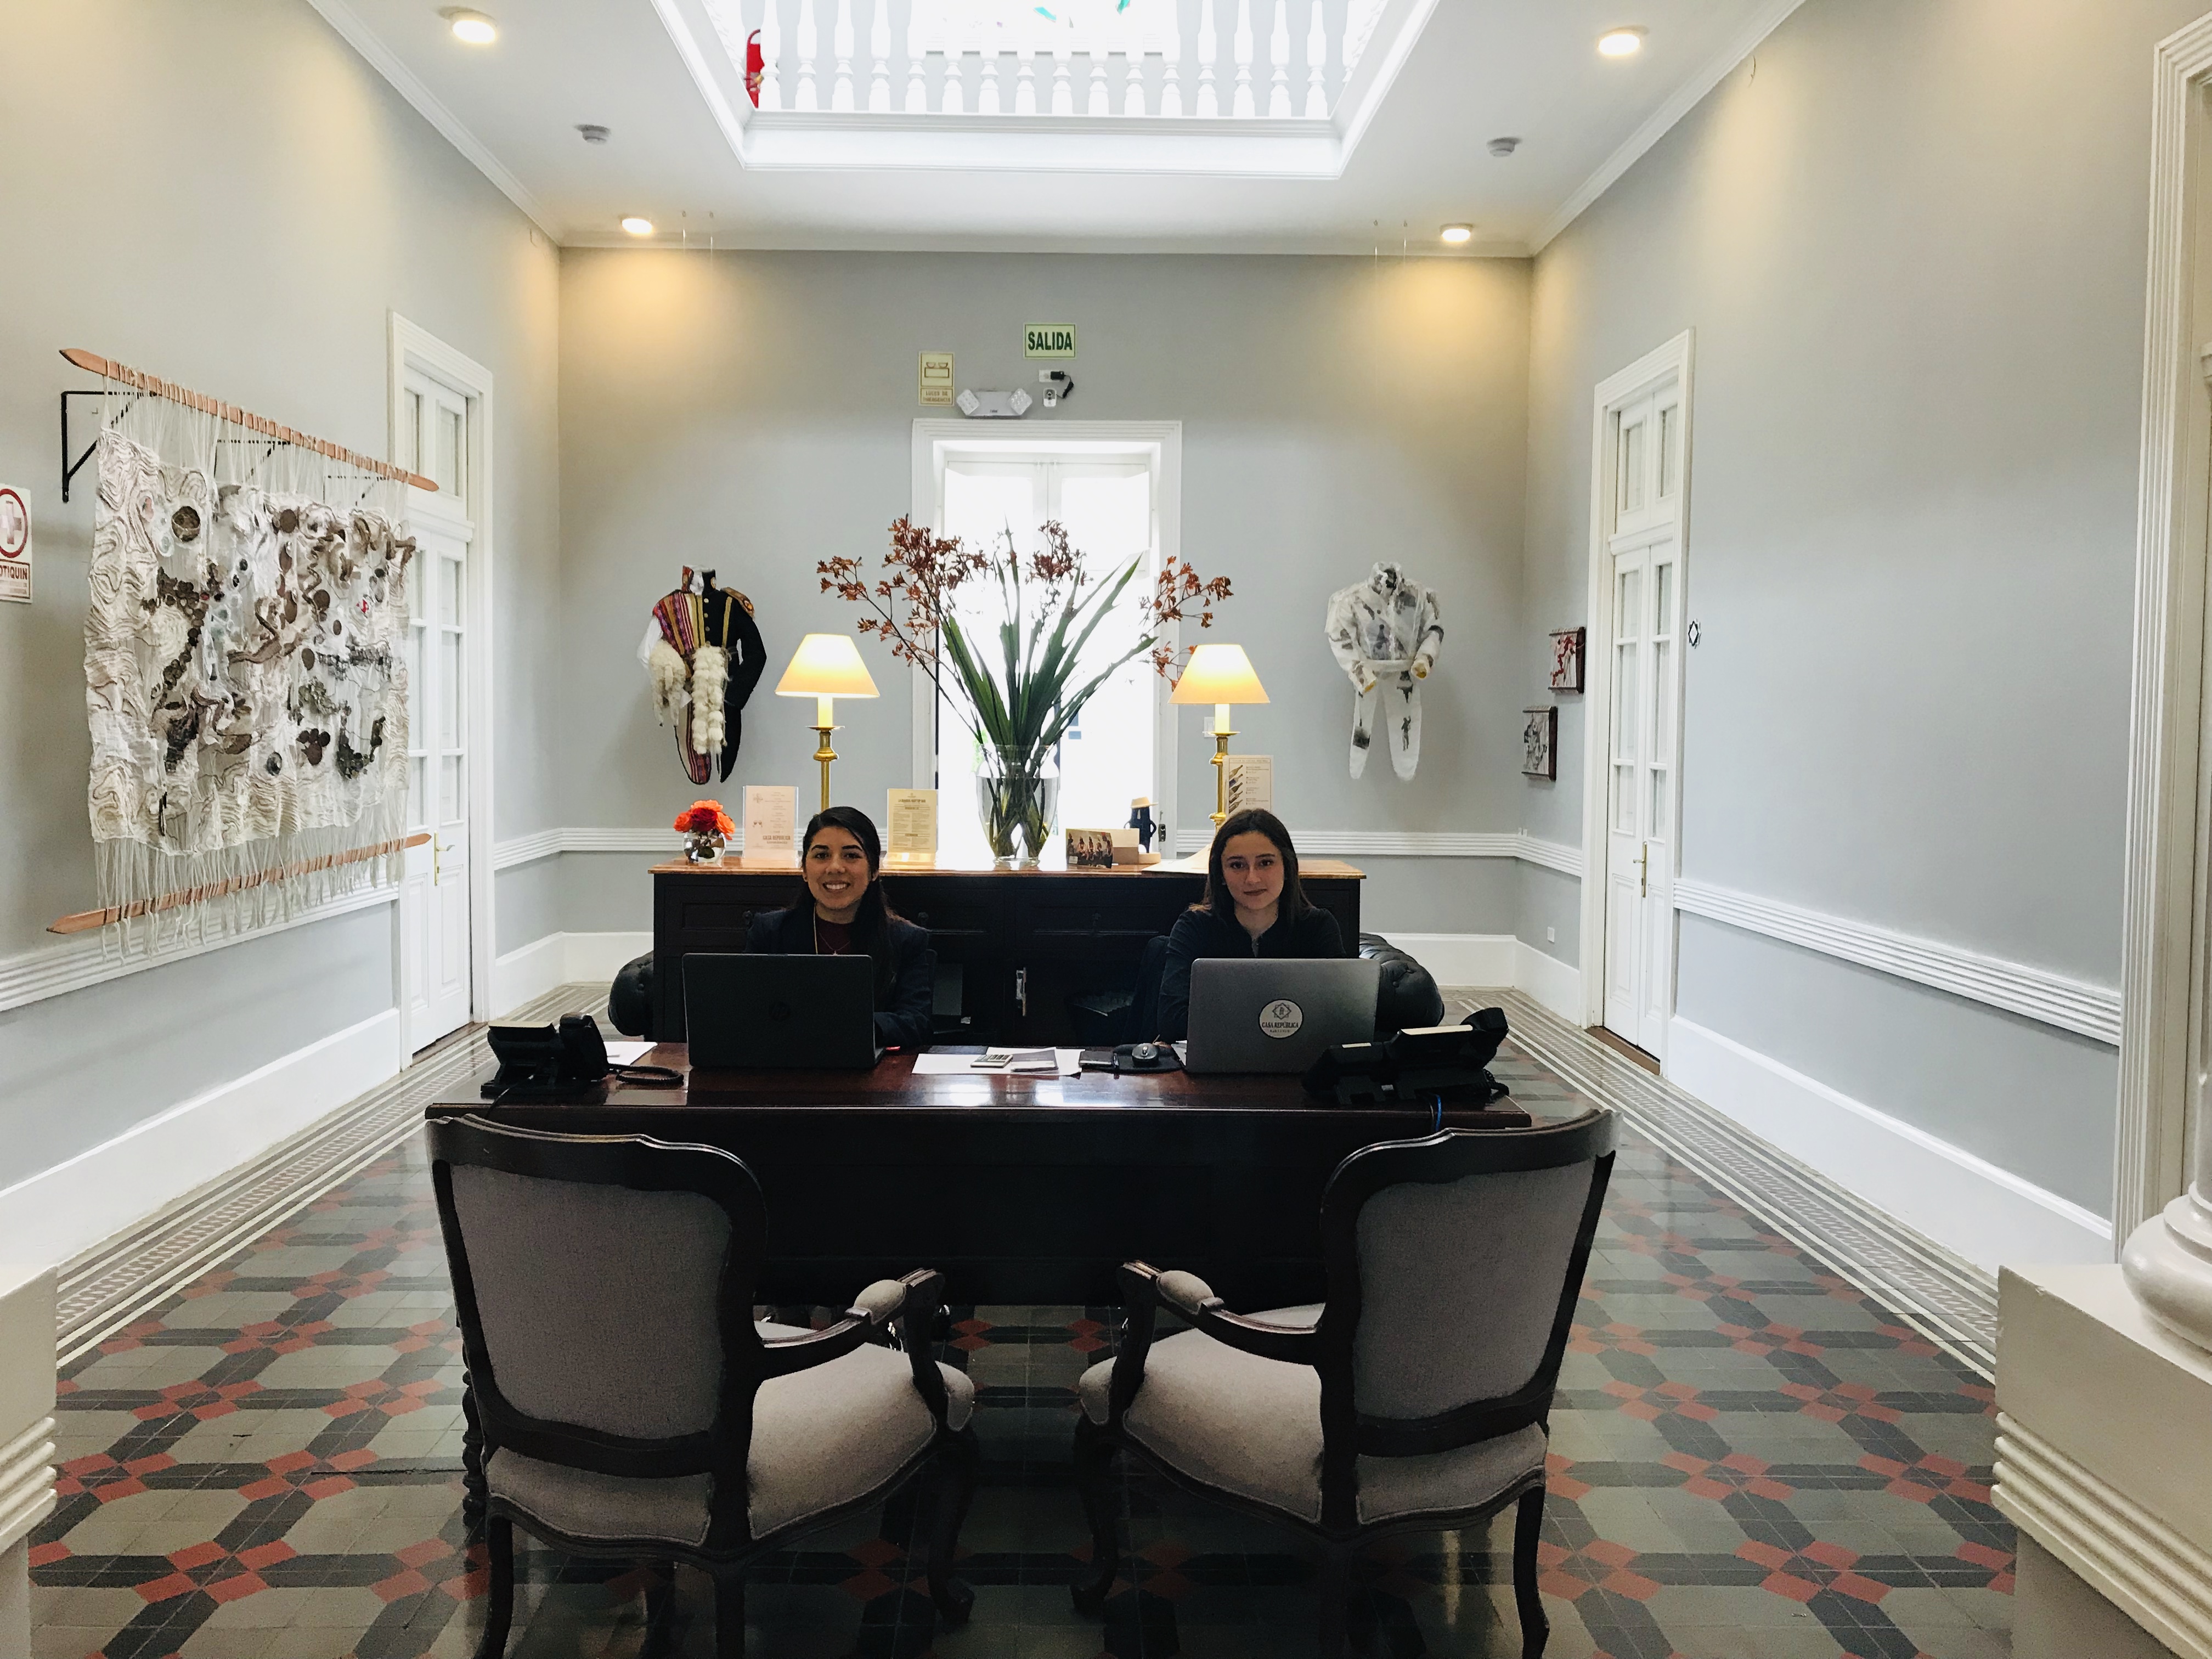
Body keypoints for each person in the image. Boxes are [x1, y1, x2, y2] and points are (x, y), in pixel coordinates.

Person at [746, 805, 934, 1050]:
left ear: (874, 870)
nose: (835, 867)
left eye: (851, 855)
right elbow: (746, 1011)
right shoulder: (769, 932)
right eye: (821, 855)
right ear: (804, 870)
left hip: (870, 1067)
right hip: (786, 1064)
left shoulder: (907, 940)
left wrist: (843, 1026)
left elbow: (916, 1023)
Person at [1156, 808, 1345, 1041]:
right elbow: (1172, 1021)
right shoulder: (1194, 926)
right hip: (1217, 1060)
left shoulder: (1319, 927)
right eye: (1237, 865)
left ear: (1287, 868)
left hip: (1301, 1060)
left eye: (1265, 863)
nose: (1252, 878)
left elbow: (1342, 1017)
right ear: (1221, 874)